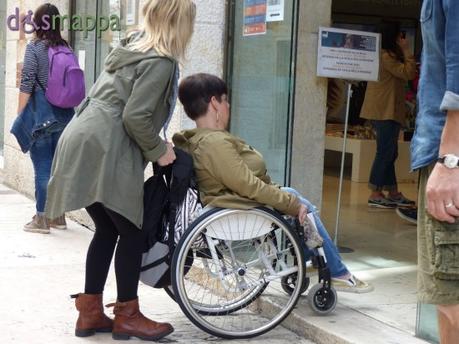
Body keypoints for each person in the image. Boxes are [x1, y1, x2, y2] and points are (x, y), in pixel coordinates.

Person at [45, 0, 196, 341]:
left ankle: (90, 314)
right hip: (106, 147)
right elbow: (135, 117)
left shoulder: (130, 48)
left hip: (82, 137)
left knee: (106, 228)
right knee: (131, 230)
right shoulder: (159, 61)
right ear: (180, 23)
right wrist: (159, 151)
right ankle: (127, 315)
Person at [172, 73, 374, 294]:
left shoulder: (195, 139)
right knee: (298, 201)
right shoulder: (214, 143)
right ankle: (335, 271)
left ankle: (315, 263)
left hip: (230, 202)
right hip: (234, 209)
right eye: (225, 100)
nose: (228, 105)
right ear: (214, 103)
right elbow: (248, 186)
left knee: (293, 195)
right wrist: (291, 204)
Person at [411, 1, 459, 343]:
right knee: (445, 299)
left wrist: (450, 159)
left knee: (452, 297)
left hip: (451, 159)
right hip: (442, 153)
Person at [16, 4, 74, 234]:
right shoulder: (65, 47)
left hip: (41, 116)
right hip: (65, 115)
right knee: (58, 168)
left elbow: (27, 82)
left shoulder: (34, 48)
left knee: (42, 167)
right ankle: (58, 215)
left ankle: (41, 219)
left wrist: (21, 114)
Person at [360, 21, 417, 209]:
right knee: (385, 152)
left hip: (387, 110)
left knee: (390, 152)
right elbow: (408, 73)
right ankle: (375, 192)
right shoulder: (385, 56)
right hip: (384, 110)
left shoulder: (384, 55)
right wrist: (407, 50)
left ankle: (392, 191)